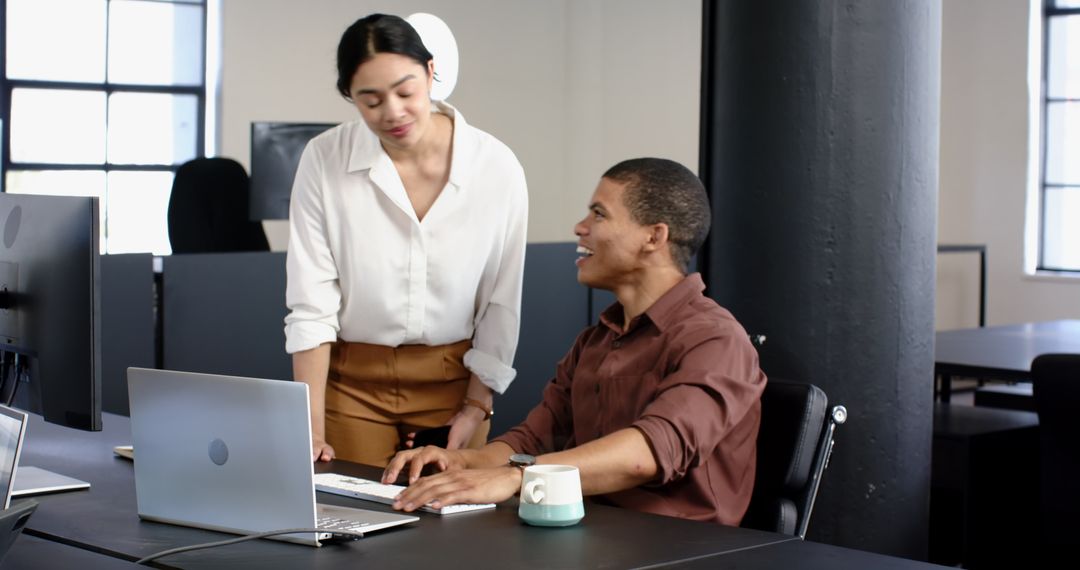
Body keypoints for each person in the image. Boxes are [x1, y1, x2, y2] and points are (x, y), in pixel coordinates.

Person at [382, 158, 766, 525]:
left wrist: (520, 478)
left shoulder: (716, 340)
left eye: (599, 214)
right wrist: (465, 464)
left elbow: (646, 453)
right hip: (592, 533)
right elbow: (531, 439)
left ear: (654, 236)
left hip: (678, 548)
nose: (580, 227)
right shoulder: (596, 340)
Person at [285, 14, 528, 468]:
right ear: (350, 98)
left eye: (405, 91)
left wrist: (478, 406)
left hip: (455, 379)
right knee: (350, 521)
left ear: (432, 72)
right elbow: (311, 307)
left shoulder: (495, 166)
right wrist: (311, 428)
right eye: (370, 100)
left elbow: (501, 299)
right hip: (351, 384)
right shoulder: (324, 159)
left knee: (453, 528)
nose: (392, 112)